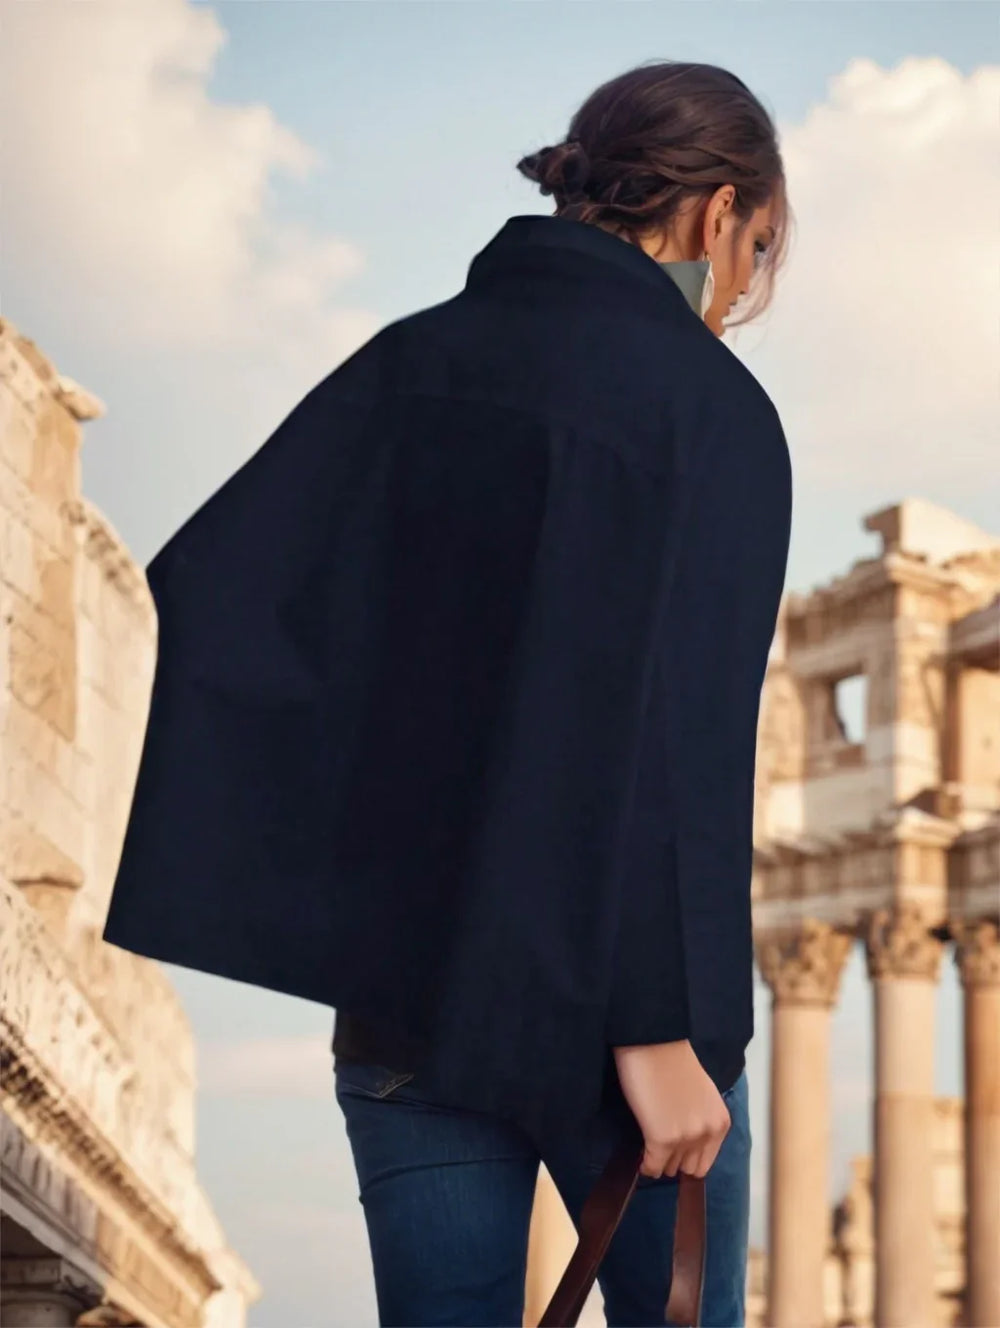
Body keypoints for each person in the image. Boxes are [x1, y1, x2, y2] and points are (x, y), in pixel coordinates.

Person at [101, 58, 793, 1328]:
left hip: (410, 1008)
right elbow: (674, 748)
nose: (743, 287)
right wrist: (652, 1027)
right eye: (757, 252)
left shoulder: (405, 365)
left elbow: (214, 586)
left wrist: (345, 888)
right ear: (716, 218)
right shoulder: (714, 411)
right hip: (643, 1042)